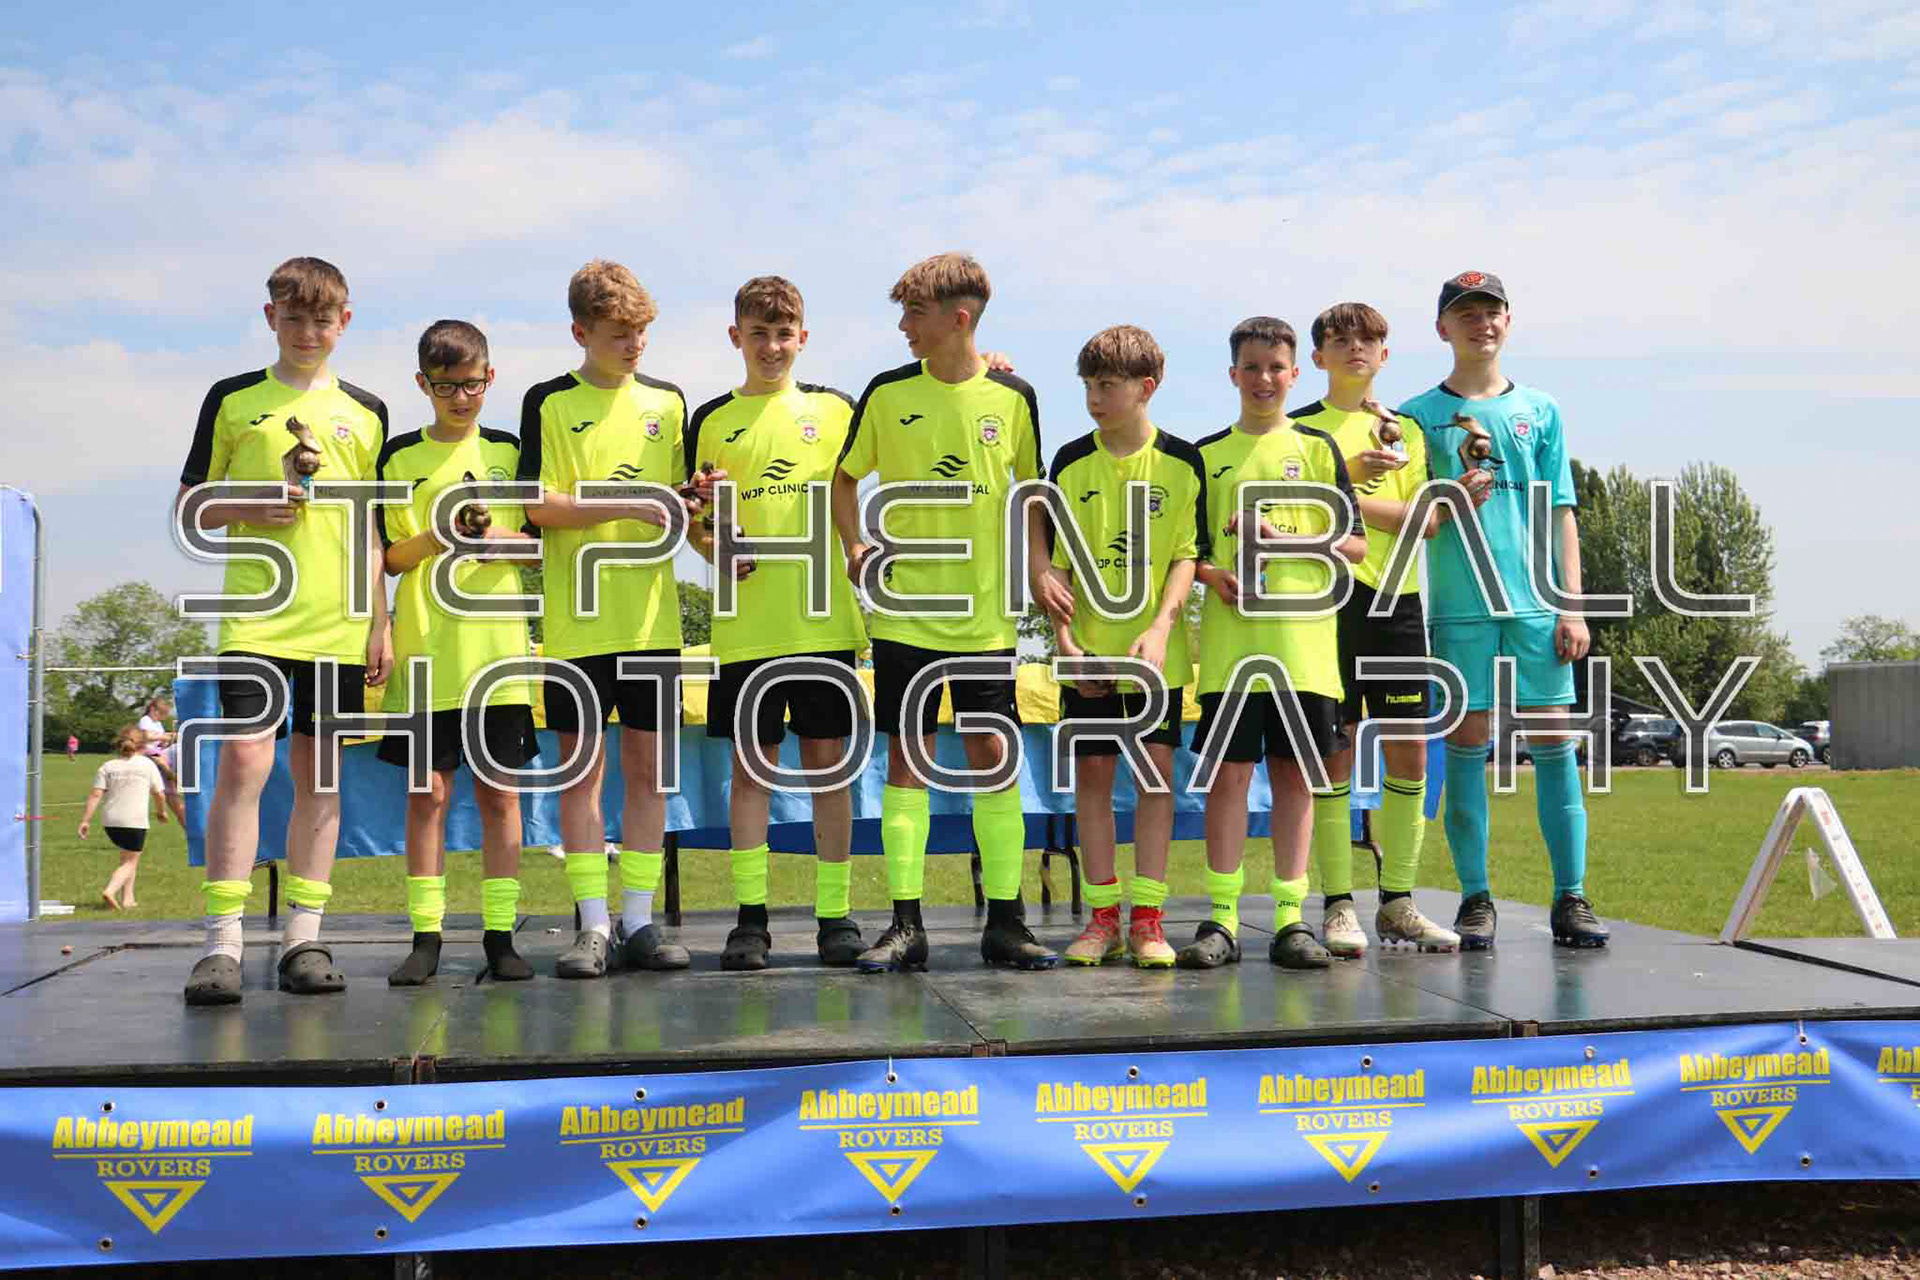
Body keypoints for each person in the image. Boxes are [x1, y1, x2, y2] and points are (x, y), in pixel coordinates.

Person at [175, 256, 392, 1005]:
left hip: (340, 624)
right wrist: (247, 505)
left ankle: (304, 937)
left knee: (321, 777)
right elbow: (189, 507)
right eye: (293, 318)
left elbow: (372, 527)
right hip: (257, 617)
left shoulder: (368, 411)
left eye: (322, 319)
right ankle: (222, 943)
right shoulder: (231, 398)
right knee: (243, 764)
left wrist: (381, 621)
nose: (307, 331)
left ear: (345, 322)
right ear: (271, 318)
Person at [832, 252, 1056, 972]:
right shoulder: (887, 392)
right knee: (908, 760)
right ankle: (906, 927)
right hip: (905, 616)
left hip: (985, 620)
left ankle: (1007, 924)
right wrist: (855, 542)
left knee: (994, 758)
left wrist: (1041, 568)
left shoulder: (1015, 396)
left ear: (959, 319)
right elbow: (843, 480)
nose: (903, 326)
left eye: (915, 314)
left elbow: (1033, 496)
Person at [1398, 271, 1607, 949]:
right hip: (1460, 606)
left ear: (1508, 322)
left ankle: (1571, 897)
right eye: (1466, 313)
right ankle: (1475, 898)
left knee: (1555, 745)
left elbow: (1562, 511)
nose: (1480, 323)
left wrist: (1572, 607)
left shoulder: (1541, 410)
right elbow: (1406, 512)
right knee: (1466, 748)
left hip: (1537, 605)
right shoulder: (1414, 415)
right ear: (1442, 329)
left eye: (1491, 311)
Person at [685, 277, 872, 970]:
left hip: (824, 624)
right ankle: (750, 920)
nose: (771, 346)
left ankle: (835, 917)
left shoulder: (838, 409)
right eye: (758, 334)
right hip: (746, 632)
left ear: (804, 337)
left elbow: (914, 418)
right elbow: (695, 522)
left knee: (830, 770)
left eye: (783, 333)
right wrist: (715, 547)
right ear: (735, 337)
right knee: (750, 774)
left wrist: (988, 366)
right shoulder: (710, 420)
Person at [519, 260, 697, 978]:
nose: (634, 345)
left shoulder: (670, 401)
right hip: (578, 625)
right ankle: (593, 926)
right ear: (580, 332)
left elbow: (683, 506)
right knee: (581, 778)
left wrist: (697, 503)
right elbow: (537, 505)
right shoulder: (547, 401)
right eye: (620, 332)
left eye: (642, 332)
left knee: (650, 774)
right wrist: (629, 504)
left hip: (653, 625)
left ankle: (641, 921)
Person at [1178, 317, 1366, 971]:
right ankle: (1222, 919)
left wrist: (1283, 539)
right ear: (1233, 374)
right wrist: (1212, 576)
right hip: (1231, 654)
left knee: (1293, 776)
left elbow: (1356, 545)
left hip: (1303, 651)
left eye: (1276, 367)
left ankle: (1291, 918)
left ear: (1295, 373)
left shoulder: (1317, 449)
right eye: (1252, 367)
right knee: (1229, 778)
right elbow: (1188, 552)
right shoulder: (1204, 456)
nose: (1264, 379)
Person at [1293, 303, 1479, 957]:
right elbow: (1295, 511)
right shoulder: (1299, 429)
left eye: (1368, 340)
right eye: (1339, 340)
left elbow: (1425, 521)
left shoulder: (1404, 430)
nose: (1355, 349)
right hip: (1326, 604)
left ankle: (1398, 902)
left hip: (1397, 601)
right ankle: (1338, 905)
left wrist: (1344, 494)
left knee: (1410, 753)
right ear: (1317, 357)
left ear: (1385, 354)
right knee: (1333, 752)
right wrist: (1348, 486)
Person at [375, 319, 541, 985]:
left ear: (490, 378)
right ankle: (427, 937)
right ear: (423, 384)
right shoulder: (397, 456)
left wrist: (498, 539)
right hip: (426, 653)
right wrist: (438, 536)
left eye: (472, 384)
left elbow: (543, 545)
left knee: (501, 796)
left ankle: (501, 937)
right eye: (446, 387)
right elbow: (389, 557)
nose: (461, 398)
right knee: (428, 796)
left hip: (497, 656)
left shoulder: (511, 450)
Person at [1037, 325, 1205, 968]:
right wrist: (1066, 642)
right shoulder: (1069, 461)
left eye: (1107, 385)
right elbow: (1056, 566)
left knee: (1155, 780)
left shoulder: (1182, 462)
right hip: (1088, 650)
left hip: (1153, 658)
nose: (1094, 398)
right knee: (1092, 779)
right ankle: (1102, 917)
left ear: (1146, 388)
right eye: (1088, 385)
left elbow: (1186, 556)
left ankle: (1149, 920)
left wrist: (1161, 627)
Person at [78, 726, 167, 910]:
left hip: (111, 822)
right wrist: (161, 812)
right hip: (135, 821)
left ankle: (128, 899)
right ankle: (110, 890)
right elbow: (159, 794)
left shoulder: (108, 766)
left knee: (127, 856)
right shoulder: (147, 765)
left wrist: (85, 820)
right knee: (131, 862)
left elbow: (96, 794)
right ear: (142, 744)